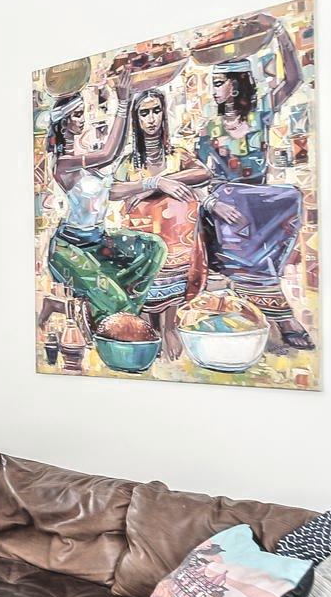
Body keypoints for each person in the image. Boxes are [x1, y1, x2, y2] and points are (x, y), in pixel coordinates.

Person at [191, 18, 315, 351]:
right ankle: (282, 316)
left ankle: (270, 310)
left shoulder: (260, 113)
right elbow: (197, 177)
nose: (214, 90)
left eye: (220, 83)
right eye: (213, 83)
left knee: (289, 198)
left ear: (238, 83)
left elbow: (294, 78)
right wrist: (211, 203)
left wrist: (281, 37)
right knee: (239, 224)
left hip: (257, 204)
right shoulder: (207, 129)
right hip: (224, 206)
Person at [44, 87, 165, 328]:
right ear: (64, 122)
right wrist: (123, 103)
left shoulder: (84, 157)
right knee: (118, 305)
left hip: (98, 240)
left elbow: (109, 191)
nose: (83, 119)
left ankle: (107, 309)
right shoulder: (64, 163)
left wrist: (153, 182)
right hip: (70, 247)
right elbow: (110, 154)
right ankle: (71, 308)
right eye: (78, 114)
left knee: (154, 248)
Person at [108, 88, 207, 357]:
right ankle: (152, 326)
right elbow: (112, 190)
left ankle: (170, 326)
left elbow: (204, 173)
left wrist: (162, 184)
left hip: (176, 241)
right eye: (144, 113)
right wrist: (155, 182)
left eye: (156, 111)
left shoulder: (177, 154)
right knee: (147, 254)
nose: (151, 119)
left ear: (164, 114)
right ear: (136, 120)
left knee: (176, 224)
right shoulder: (129, 162)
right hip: (141, 238)